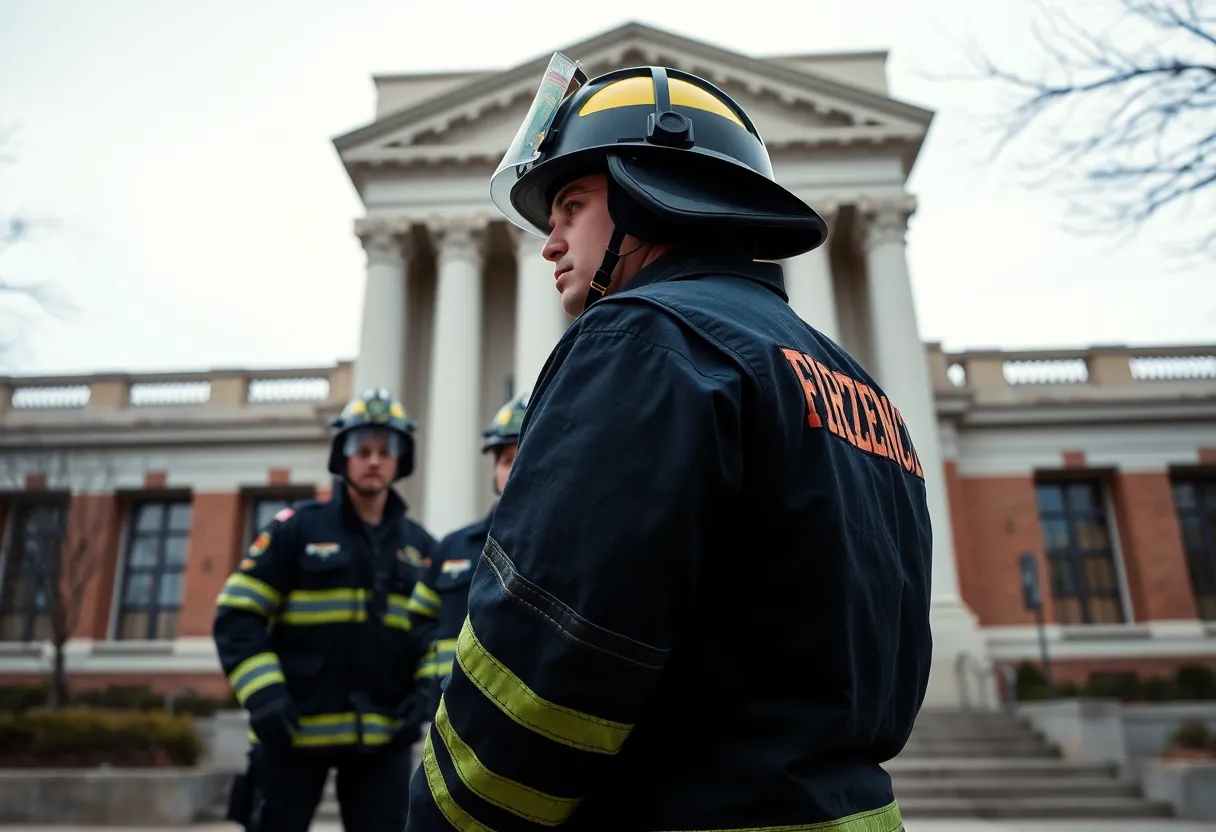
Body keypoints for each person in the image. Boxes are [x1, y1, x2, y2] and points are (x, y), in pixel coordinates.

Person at [404, 54, 932, 832]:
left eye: (571, 205)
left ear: (649, 192)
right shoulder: (858, 385)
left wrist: (445, 815)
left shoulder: (643, 340)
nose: (550, 242)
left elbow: (556, 645)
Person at [214, 387, 438, 832]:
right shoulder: (295, 530)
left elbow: (435, 634)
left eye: (385, 450)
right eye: (362, 449)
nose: (373, 460)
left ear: (400, 461)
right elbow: (238, 615)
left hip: (383, 739)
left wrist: (425, 695)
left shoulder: (422, 547)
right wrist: (264, 695)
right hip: (291, 733)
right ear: (343, 456)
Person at [413, 391, 528, 717]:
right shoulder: (452, 547)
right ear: (494, 471)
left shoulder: (565, 550)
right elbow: (418, 623)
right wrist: (432, 681)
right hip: (450, 714)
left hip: (525, 721)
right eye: (506, 460)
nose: (515, 468)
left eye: (526, 454)